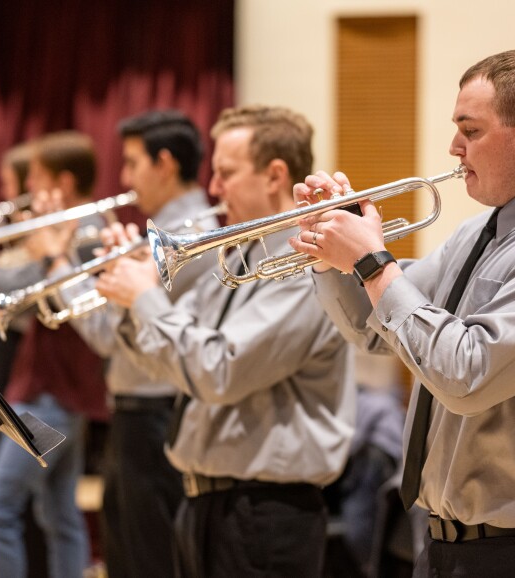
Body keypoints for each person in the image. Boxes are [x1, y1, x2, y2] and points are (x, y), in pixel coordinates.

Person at [289, 48, 515, 577]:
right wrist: (328, 249)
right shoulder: (480, 232)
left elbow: (467, 373)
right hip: (452, 544)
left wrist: (369, 260)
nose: (454, 148)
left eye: (470, 130)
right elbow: (376, 330)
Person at [95, 105, 356, 577]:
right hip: (208, 502)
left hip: (264, 511)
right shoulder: (237, 260)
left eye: (226, 174)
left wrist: (146, 300)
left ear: (275, 175)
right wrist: (128, 295)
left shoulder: (306, 266)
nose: (213, 189)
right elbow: (169, 362)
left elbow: (219, 371)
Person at [54, 110, 219, 577]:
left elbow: (107, 335)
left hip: (155, 414)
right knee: (128, 551)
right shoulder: (157, 233)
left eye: (131, 163)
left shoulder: (177, 238)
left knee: (145, 558)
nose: (124, 179)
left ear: (163, 164)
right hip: (140, 413)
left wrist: (57, 264)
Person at [0, 130, 109, 578]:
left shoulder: (86, 233)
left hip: (53, 391)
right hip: (57, 389)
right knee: (60, 513)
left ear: (64, 183)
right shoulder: (73, 229)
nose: (28, 188)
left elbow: (21, 292)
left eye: (35, 178)